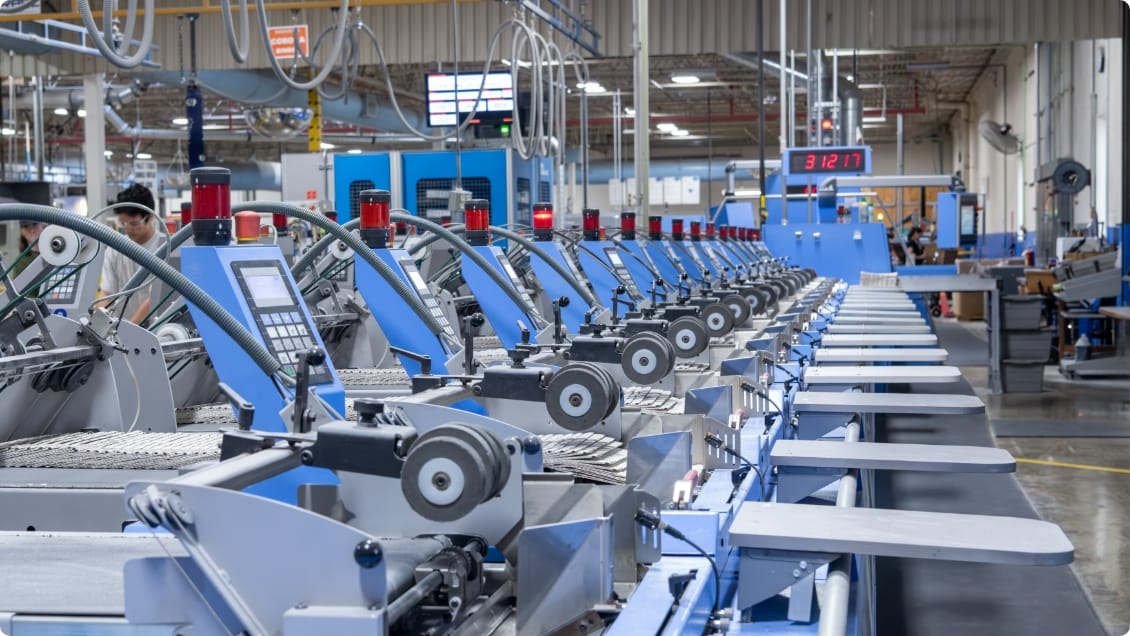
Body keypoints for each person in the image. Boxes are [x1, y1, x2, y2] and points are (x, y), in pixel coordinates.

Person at [97, 183, 165, 325]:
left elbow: (153, 298)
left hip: (154, 329)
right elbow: (106, 293)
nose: (128, 229)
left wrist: (130, 329)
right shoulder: (115, 250)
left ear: (151, 217)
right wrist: (98, 323)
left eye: (134, 224)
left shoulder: (165, 248)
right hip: (120, 330)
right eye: (123, 223)